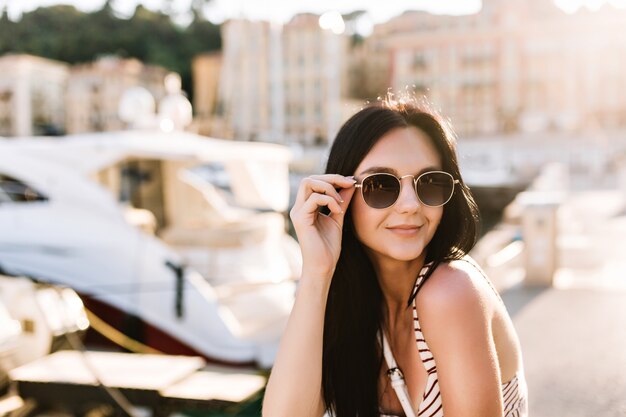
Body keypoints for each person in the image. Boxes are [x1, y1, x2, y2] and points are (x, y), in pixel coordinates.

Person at [263, 96, 528, 417]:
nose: (410, 204)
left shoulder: (451, 292)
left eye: (429, 183)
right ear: (339, 194)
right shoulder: (351, 303)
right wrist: (317, 271)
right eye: (381, 185)